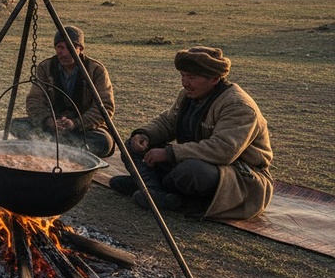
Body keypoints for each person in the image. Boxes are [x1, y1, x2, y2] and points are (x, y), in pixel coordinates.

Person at [108, 46, 274, 219]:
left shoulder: (238, 105)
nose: (185, 83)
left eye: (192, 77)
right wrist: (144, 135)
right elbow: (168, 122)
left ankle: (173, 198)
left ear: (215, 79)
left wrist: (170, 153)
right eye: (183, 76)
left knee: (190, 171)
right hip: (196, 159)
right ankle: (153, 190)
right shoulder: (189, 94)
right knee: (133, 145)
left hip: (237, 177)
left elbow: (223, 150)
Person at [11, 25, 115, 158]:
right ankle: (67, 149)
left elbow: (105, 107)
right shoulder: (46, 68)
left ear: (80, 49)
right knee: (16, 125)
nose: (64, 53)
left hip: (82, 128)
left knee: (104, 141)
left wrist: (76, 123)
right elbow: (34, 100)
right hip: (54, 125)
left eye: (70, 48)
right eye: (60, 47)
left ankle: (49, 147)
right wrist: (49, 121)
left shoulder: (96, 70)